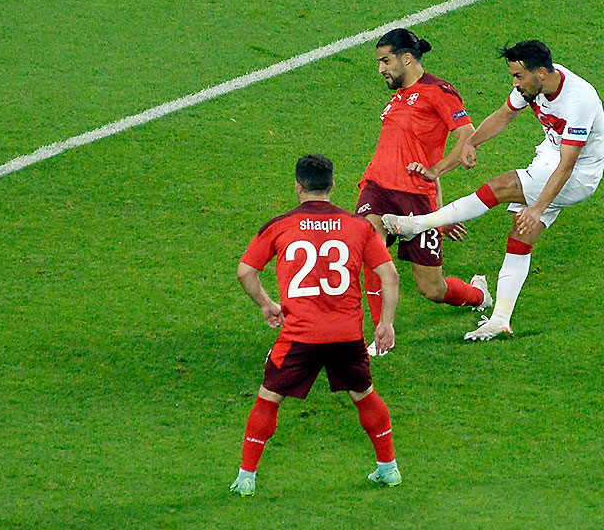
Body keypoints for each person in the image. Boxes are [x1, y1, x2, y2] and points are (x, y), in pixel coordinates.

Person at [383, 40, 604, 340]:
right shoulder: (533, 85)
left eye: (518, 76)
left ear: (540, 72)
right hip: (551, 155)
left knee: (503, 186)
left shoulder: (579, 100)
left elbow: (567, 166)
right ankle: (500, 319)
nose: (515, 83)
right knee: (520, 236)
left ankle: (417, 224)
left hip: (579, 173)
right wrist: (471, 143)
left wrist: (538, 208)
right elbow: (504, 115)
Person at [230, 154, 402, 498]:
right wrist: (386, 323)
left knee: (268, 400)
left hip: (300, 336)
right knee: (364, 395)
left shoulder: (280, 226)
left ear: (298, 186)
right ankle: (389, 469)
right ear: (332, 185)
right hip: (346, 336)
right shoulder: (359, 226)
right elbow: (390, 275)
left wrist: (266, 304)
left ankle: (246, 478)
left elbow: (245, 272)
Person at [357, 28, 491, 354]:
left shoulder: (438, 91)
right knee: (369, 251)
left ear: (406, 58)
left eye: (385, 61)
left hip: (415, 197)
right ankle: (381, 334)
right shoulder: (398, 97)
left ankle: (478, 295)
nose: (381, 69)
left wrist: (437, 181)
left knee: (432, 289)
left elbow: (468, 137)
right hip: (376, 186)